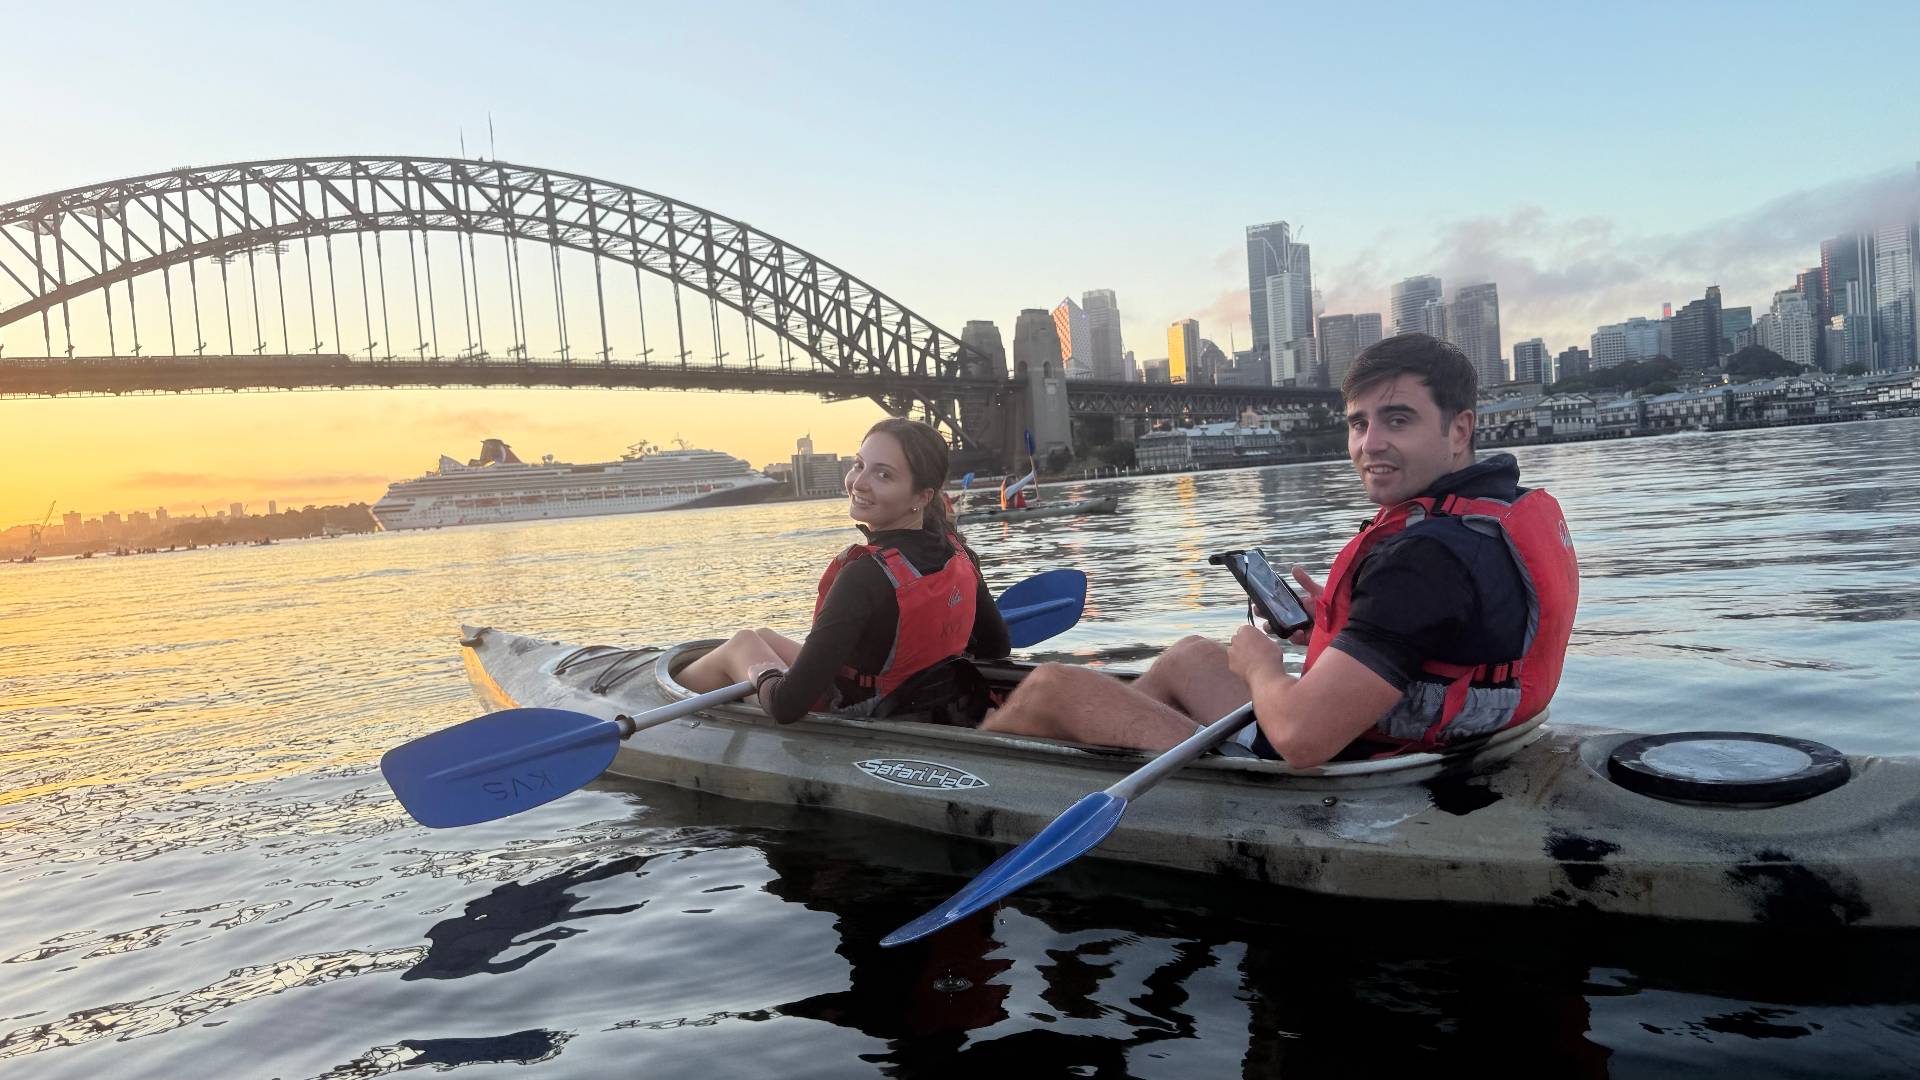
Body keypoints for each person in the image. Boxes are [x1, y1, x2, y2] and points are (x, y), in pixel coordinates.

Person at [979, 333, 1579, 768]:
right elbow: (1444, 634)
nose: (1370, 444)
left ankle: (979, 774)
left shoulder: (1423, 560)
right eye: (1358, 423)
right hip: (1427, 735)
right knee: (1189, 655)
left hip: (1356, 762)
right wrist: (1335, 625)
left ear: (1458, 429)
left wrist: (1263, 664)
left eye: (1397, 420)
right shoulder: (1494, 511)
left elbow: (1300, 740)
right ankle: (1103, 760)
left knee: (1051, 685)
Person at [676, 417, 1011, 724]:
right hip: (929, 702)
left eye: (883, 475)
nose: (858, 483)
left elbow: (786, 705)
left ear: (922, 496)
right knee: (762, 636)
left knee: (743, 645)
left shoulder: (864, 574)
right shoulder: (959, 552)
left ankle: (664, 705)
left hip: (870, 712)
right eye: (859, 465)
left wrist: (762, 675)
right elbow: (995, 647)